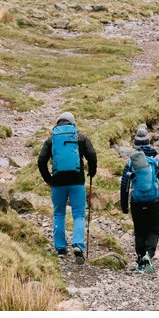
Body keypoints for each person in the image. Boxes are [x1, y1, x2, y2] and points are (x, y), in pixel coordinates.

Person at [37, 112, 97, 263]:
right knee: (78, 214)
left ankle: (61, 249)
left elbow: (41, 161)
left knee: (59, 213)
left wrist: (48, 179)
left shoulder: (52, 140)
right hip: (77, 182)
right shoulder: (80, 138)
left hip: (58, 182)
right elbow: (92, 156)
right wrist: (92, 171)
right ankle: (78, 245)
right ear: (72, 123)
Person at [119, 124, 159, 274]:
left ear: (135, 146)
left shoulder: (130, 163)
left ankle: (141, 261)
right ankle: (149, 254)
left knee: (140, 231)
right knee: (154, 230)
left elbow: (124, 185)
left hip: (136, 202)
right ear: (149, 144)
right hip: (154, 201)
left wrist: (124, 206)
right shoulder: (155, 163)